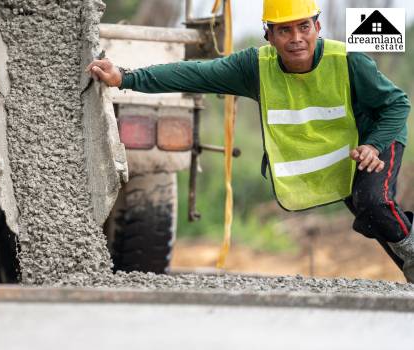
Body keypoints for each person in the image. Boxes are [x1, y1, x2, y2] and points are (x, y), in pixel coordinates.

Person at [87, 0, 414, 281]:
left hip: (378, 134)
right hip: (347, 149)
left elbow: (397, 104)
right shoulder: (254, 68)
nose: (296, 38)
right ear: (269, 36)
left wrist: (374, 144)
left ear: (317, 26)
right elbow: (193, 74)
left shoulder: (350, 60)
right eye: (284, 30)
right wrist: (126, 78)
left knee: (373, 202)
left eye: (303, 27)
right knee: (370, 213)